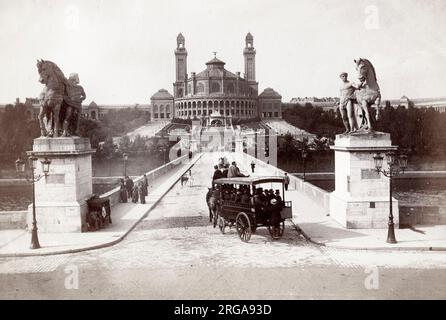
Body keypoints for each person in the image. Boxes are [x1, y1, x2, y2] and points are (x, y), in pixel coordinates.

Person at [63, 73, 86, 137]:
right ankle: (65, 131)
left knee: (78, 119)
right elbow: (64, 95)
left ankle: (76, 131)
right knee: (68, 117)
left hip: (78, 105)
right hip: (70, 104)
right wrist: (69, 100)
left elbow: (84, 96)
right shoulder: (67, 86)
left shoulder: (80, 87)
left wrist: (81, 99)